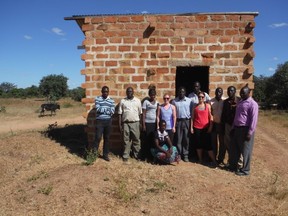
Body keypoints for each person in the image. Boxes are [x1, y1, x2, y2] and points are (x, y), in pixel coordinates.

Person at [230, 86, 258, 176]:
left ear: (249, 93)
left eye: (243, 93)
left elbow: (254, 119)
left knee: (246, 150)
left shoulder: (252, 104)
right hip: (237, 128)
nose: (241, 94)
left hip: (245, 129)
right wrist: (233, 128)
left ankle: (245, 170)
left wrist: (250, 132)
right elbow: (236, 116)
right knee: (235, 148)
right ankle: (233, 166)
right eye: (241, 93)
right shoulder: (241, 102)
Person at [190, 91, 217, 167]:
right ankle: (200, 159)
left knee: (208, 145)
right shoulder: (195, 106)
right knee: (198, 144)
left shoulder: (207, 106)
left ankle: (214, 160)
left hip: (206, 128)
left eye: (202, 97)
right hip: (197, 127)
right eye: (199, 97)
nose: (200, 98)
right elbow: (192, 118)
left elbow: (210, 117)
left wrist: (211, 127)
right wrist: (191, 127)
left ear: (204, 98)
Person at [118, 87, 142, 162]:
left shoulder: (137, 101)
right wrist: (119, 125)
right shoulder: (123, 101)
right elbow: (119, 114)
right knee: (126, 140)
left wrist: (140, 124)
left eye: (131, 91)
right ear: (126, 92)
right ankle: (125, 155)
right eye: (128, 91)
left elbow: (140, 113)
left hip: (135, 123)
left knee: (136, 140)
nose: (129, 93)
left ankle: (137, 155)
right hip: (125, 123)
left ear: (133, 92)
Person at [94, 86, 115, 161]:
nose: (105, 93)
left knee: (107, 138)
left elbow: (112, 111)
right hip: (100, 121)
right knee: (98, 137)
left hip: (108, 121)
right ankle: (94, 155)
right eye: (104, 91)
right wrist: (107, 110)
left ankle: (105, 155)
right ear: (101, 92)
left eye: (106, 91)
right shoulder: (97, 99)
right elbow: (98, 109)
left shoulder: (111, 100)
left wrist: (103, 109)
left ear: (108, 92)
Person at [221, 86, 240, 167]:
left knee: (237, 144)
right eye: (228, 91)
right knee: (228, 143)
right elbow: (223, 114)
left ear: (235, 91)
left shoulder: (239, 101)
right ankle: (231, 161)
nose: (230, 92)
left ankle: (239, 163)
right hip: (228, 125)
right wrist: (223, 125)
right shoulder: (225, 102)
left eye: (232, 91)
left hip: (237, 126)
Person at [172, 87, 192, 162]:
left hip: (187, 121)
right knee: (179, 139)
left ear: (185, 93)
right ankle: (179, 154)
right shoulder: (174, 101)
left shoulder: (189, 101)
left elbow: (191, 112)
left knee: (186, 139)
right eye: (180, 92)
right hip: (179, 121)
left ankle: (186, 155)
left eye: (183, 92)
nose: (181, 93)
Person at [141, 88, 159, 160]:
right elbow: (144, 114)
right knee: (147, 139)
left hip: (154, 123)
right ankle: (146, 155)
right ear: (149, 95)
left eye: (154, 95)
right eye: (151, 95)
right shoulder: (146, 102)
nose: (153, 96)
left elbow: (157, 114)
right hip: (147, 123)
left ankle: (152, 156)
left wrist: (157, 125)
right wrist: (144, 124)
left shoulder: (157, 103)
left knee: (153, 140)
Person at [209, 87, 225, 165]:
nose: (219, 93)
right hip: (214, 124)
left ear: (222, 93)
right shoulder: (211, 102)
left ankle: (221, 159)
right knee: (213, 142)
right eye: (218, 92)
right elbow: (210, 113)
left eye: (220, 92)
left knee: (222, 142)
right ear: (215, 93)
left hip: (221, 125)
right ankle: (214, 158)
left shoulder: (224, 101)